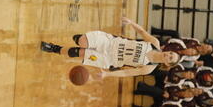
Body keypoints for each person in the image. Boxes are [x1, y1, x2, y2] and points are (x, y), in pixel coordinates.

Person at [41, 17, 181, 78]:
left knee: (76, 53)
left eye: (170, 58)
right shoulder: (154, 43)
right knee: (82, 41)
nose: (168, 55)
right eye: (170, 53)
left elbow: (126, 73)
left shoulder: (148, 68)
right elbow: (143, 32)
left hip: (108, 59)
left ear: (167, 63)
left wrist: (107, 74)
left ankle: (53, 48)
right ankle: (81, 39)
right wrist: (131, 22)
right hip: (110, 43)